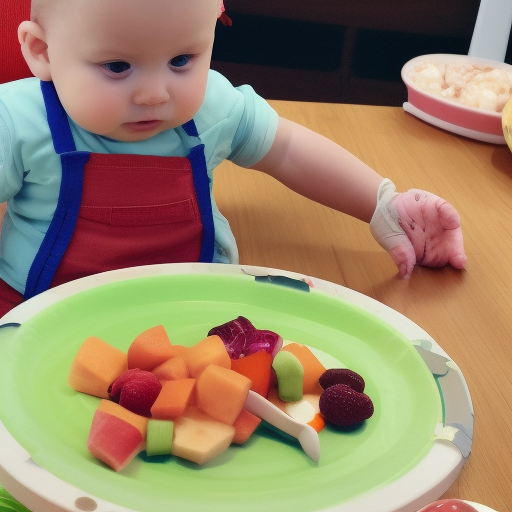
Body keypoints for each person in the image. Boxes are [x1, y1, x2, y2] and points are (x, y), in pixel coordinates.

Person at [0, 0, 467, 318]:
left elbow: (287, 149)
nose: (155, 93)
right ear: (41, 52)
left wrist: (384, 204)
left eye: (182, 59)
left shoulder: (212, 109)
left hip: (199, 305)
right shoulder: (18, 121)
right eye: (117, 66)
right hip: (38, 308)